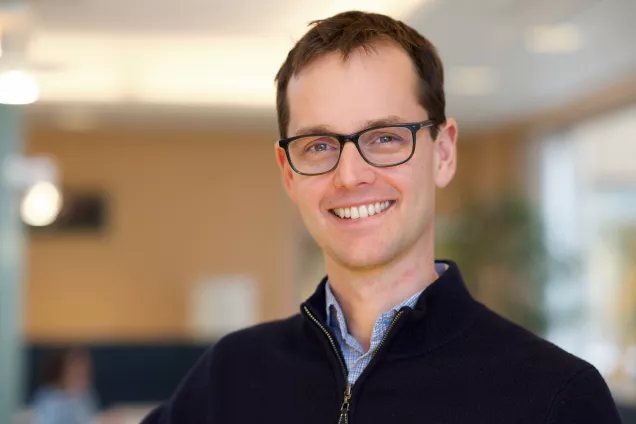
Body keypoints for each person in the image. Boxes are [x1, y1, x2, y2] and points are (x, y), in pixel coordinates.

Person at [142, 11, 621, 423]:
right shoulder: (228, 377)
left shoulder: (555, 395)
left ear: (444, 152)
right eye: (319, 145)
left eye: (385, 138)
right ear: (288, 172)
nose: (350, 176)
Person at [32, 348, 99, 424]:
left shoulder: (86, 397)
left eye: (86, 370)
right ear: (62, 370)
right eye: (77, 371)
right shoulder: (48, 400)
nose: (83, 375)